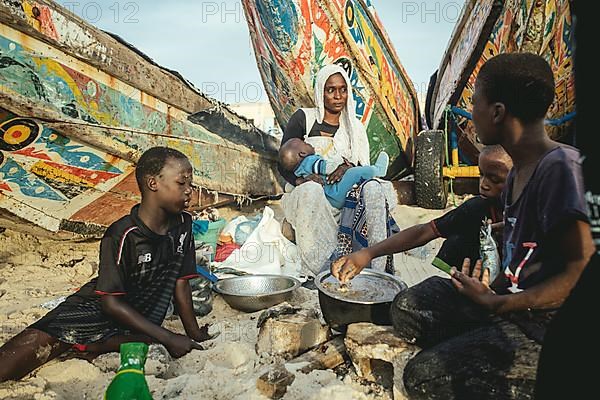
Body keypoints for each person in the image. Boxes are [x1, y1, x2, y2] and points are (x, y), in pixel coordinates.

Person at [333, 53, 594, 399]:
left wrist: (498, 305)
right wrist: (488, 292)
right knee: (409, 306)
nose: (471, 113)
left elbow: (581, 272)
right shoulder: (516, 173)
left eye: (475, 102)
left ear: (498, 112)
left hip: (543, 330)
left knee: (424, 377)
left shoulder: (562, 169)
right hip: (509, 307)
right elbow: (523, 267)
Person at [0, 147, 214, 383]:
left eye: (190, 184)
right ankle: (86, 342)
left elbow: (181, 283)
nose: (189, 191)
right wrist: (169, 337)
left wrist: (193, 334)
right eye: (182, 183)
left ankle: (92, 345)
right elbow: (110, 303)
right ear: (153, 183)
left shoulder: (183, 224)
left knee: (148, 342)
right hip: (94, 310)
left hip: (138, 321)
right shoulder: (121, 234)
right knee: (26, 352)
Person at [279, 64, 399, 275]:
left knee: (374, 189)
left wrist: (347, 168)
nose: (338, 96)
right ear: (320, 91)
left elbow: (362, 165)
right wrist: (302, 180)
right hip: (314, 197)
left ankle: (378, 269)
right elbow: (284, 161)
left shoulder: (355, 127)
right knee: (311, 191)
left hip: (345, 194)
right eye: (331, 90)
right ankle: (314, 269)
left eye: (343, 89)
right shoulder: (303, 119)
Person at [332, 144, 511, 281]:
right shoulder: (476, 208)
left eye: (494, 179)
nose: (484, 184)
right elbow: (425, 232)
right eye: (481, 175)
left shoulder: (534, 211)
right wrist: (367, 254)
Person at [279, 138, 390, 209]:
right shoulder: (310, 162)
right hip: (336, 192)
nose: (308, 144)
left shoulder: (299, 172)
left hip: (329, 200)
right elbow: (326, 167)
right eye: (305, 143)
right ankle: (377, 169)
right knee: (354, 173)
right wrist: (341, 161)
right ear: (302, 153)